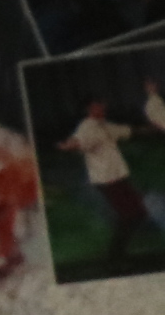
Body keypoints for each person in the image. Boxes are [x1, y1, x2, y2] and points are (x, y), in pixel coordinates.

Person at [61, 99, 159, 258]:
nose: (103, 107)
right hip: (107, 180)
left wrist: (155, 128)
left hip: (118, 177)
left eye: (102, 105)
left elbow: (128, 130)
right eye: (98, 105)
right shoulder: (87, 127)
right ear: (89, 109)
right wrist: (69, 145)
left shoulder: (105, 126)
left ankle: (117, 253)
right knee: (130, 215)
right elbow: (78, 140)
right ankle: (115, 254)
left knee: (138, 214)